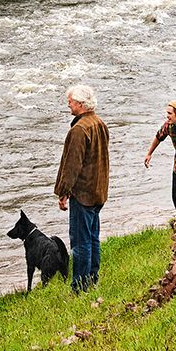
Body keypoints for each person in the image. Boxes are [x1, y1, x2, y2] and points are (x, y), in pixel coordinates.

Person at [54, 84, 110, 292]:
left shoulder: (79, 130)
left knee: (80, 242)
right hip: (98, 190)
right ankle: (93, 279)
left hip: (84, 193)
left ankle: (79, 287)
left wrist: (63, 192)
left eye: (70, 101)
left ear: (79, 104)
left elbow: (72, 165)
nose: (68, 104)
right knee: (93, 238)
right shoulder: (99, 123)